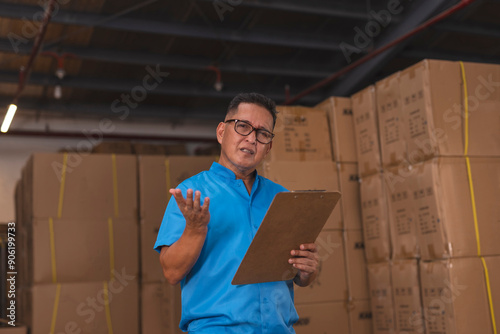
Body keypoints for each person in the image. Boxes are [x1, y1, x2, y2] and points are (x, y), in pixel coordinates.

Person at [154, 92, 319, 333]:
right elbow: (171, 272)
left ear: (269, 146)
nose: (252, 139)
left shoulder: (281, 197)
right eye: (243, 127)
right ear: (221, 132)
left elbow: (298, 274)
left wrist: (307, 271)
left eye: (263, 134)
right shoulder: (191, 193)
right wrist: (195, 230)